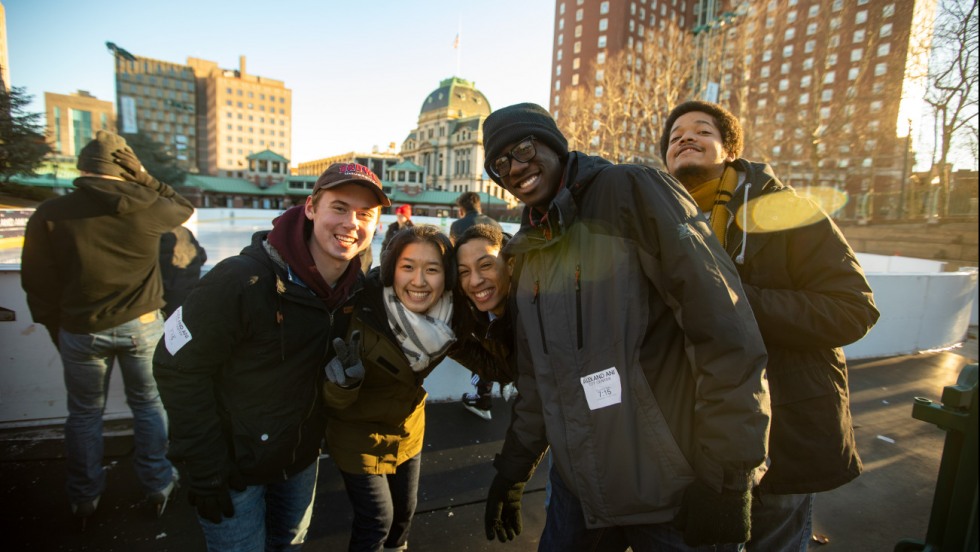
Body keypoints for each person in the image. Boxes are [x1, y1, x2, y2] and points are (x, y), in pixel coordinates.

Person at [479, 103, 771, 550]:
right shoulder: (528, 249)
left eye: (524, 148)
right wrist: (512, 471)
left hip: (669, 491)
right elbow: (540, 381)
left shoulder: (631, 189)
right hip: (580, 497)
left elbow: (724, 330)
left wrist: (729, 477)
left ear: (554, 144)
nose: (516, 168)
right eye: (501, 164)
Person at [660, 100, 880, 551]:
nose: (685, 137)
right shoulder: (662, 228)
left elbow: (853, 309)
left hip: (786, 430)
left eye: (702, 131)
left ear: (730, 150)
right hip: (697, 440)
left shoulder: (790, 211)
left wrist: (738, 301)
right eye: (675, 135)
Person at [153, 162, 390, 551]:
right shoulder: (241, 280)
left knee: (288, 544)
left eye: (365, 214)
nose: (351, 223)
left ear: (377, 224)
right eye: (340, 207)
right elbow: (175, 365)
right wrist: (205, 466)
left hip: (299, 460)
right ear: (311, 207)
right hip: (234, 467)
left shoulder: (355, 284)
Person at [20, 130, 193, 528]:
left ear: (82, 168)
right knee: (149, 405)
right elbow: (182, 207)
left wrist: (57, 329)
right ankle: (158, 484)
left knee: (83, 414)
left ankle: (84, 496)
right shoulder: (147, 206)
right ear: (126, 169)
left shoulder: (50, 213)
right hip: (142, 326)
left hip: (79, 330)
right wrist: (147, 178)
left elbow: (36, 282)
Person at [322, 224, 493, 551]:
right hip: (357, 433)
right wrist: (344, 384)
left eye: (432, 270)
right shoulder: (360, 309)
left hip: (408, 428)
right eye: (407, 267)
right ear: (390, 270)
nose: (419, 281)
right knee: (376, 521)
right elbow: (327, 398)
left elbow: (491, 362)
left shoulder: (449, 317)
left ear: (447, 277)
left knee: (403, 516)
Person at [453, 223, 518, 421]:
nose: (475, 281)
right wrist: (452, 342)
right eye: (464, 272)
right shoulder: (481, 316)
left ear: (511, 265)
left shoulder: (541, 309)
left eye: (486, 265)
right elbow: (505, 370)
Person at [159, 225, 207, 317]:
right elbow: (202, 256)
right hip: (188, 297)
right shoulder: (185, 233)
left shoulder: (157, 237)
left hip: (165, 299)